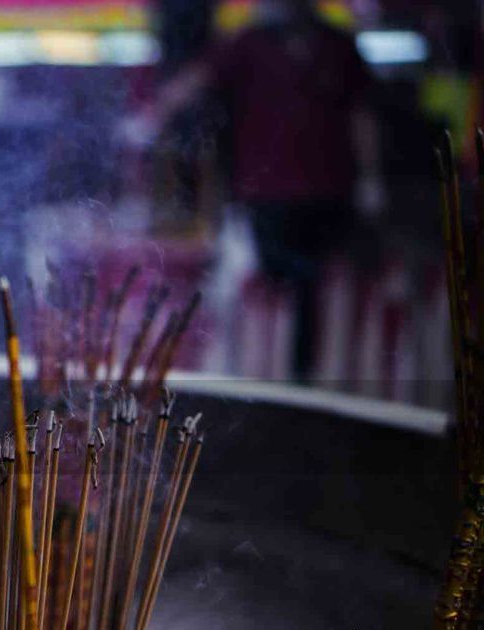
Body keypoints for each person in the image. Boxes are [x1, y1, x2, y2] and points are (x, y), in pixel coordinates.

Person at [125, 0, 385, 381]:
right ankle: (264, 375)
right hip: (265, 192)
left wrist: (369, 179)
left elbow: (363, 115)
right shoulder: (248, 43)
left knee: (313, 289)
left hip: (328, 191)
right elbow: (200, 78)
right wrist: (151, 117)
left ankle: (303, 379)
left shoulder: (339, 46)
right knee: (269, 284)